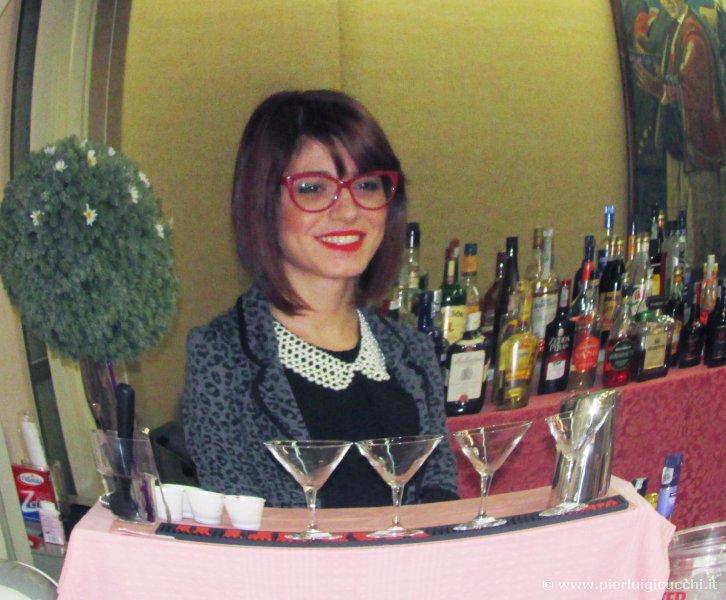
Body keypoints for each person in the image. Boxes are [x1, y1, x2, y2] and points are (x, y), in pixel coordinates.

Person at [182, 90, 459, 508]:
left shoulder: (414, 352)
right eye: (313, 188)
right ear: (262, 203)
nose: (348, 210)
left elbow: (441, 488)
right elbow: (239, 519)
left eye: (367, 184)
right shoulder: (220, 355)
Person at [635, 0, 726, 269]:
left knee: (700, 214)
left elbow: (694, 91)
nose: (666, 3)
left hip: (699, 140)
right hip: (681, 138)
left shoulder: (693, 35)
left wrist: (659, 88)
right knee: (681, 210)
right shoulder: (677, 28)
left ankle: (701, 271)